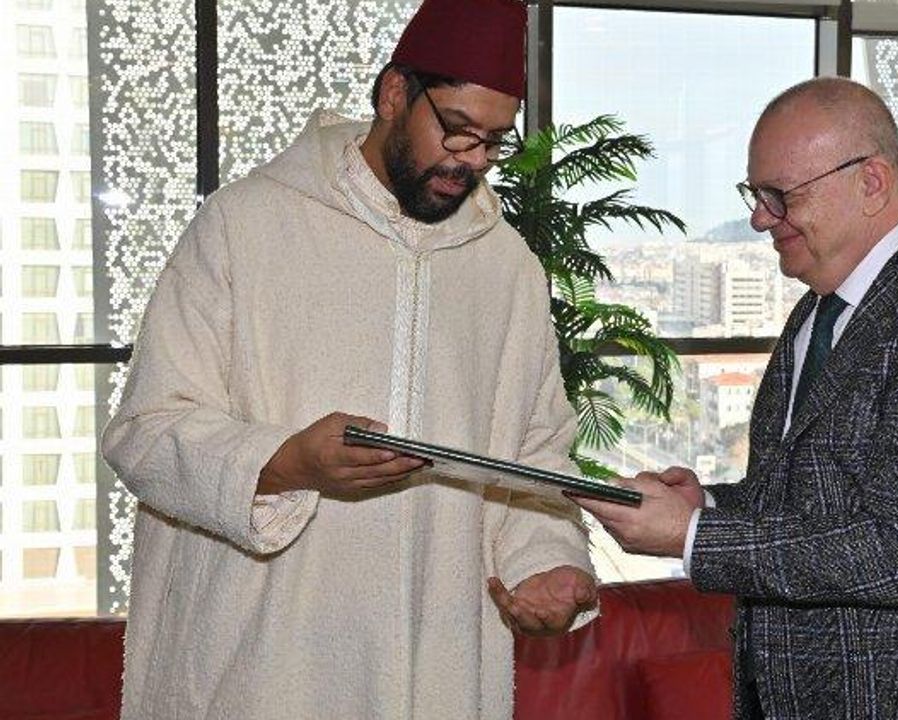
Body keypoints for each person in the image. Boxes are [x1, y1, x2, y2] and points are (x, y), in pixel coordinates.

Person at [100, 1, 597, 718]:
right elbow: (144, 432)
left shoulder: (507, 268)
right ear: (394, 94)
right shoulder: (246, 225)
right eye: (457, 130)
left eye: (493, 142)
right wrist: (286, 463)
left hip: (435, 669)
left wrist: (546, 560)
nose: (472, 161)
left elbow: (533, 454)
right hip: (259, 670)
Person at [576, 77, 898, 720]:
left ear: (871, 182)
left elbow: (895, 551)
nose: (759, 218)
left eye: (781, 195)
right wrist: (709, 503)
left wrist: (692, 536)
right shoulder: (820, 310)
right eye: (755, 194)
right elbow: (813, 502)